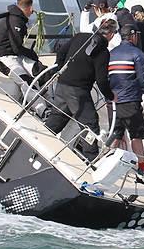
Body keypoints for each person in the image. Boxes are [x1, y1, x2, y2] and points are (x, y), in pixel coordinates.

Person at [45, 20, 116, 161]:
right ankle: (92, 159)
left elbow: (60, 52)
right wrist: (110, 96)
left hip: (62, 84)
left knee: (58, 117)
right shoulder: (103, 52)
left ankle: (42, 140)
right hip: (78, 91)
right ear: (111, 35)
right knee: (89, 123)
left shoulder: (79, 37)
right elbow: (101, 80)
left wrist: (61, 70)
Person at [108, 24, 144, 174]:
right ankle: (142, 166)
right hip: (129, 100)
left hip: (113, 101)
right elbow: (143, 78)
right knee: (136, 134)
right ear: (134, 36)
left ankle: (106, 161)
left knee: (117, 132)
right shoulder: (137, 54)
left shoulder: (111, 53)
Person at [0, 0, 44, 86]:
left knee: (40, 70)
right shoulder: (17, 21)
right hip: (4, 57)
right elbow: (16, 48)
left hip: (8, 54)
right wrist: (32, 54)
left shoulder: (13, 17)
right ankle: (37, 99)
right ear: (30, 8)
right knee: (26, 82)